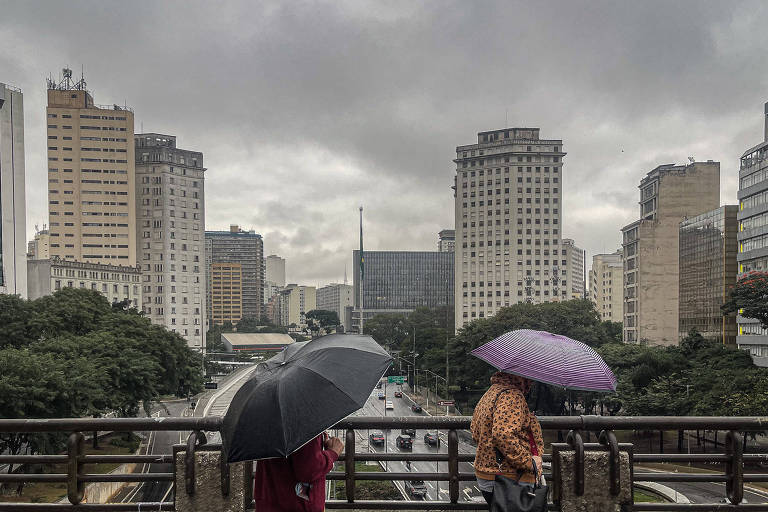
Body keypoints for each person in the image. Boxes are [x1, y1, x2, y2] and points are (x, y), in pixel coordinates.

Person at [470, 372, 544, 506]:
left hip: (488, 475)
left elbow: (475, 432)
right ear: (521, 376)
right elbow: (503, 435)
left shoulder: (493, 392)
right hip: (508, 478)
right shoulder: (512, 396)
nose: (532, 382)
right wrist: (528, 461)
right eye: (530, 378)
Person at [253, 432, 344, 511]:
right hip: (297, 503)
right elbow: (308, 470)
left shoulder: (270, 420)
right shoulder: (304, 421)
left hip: (270, 498)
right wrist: (332, 453)